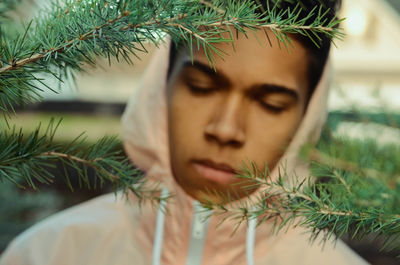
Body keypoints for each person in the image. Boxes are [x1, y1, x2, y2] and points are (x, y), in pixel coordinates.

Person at [0, 1, 368, 264]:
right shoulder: (48, 253)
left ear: (307, 119)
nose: (226, 129)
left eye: (269, 104)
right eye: (201, 87)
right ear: (162, 84)